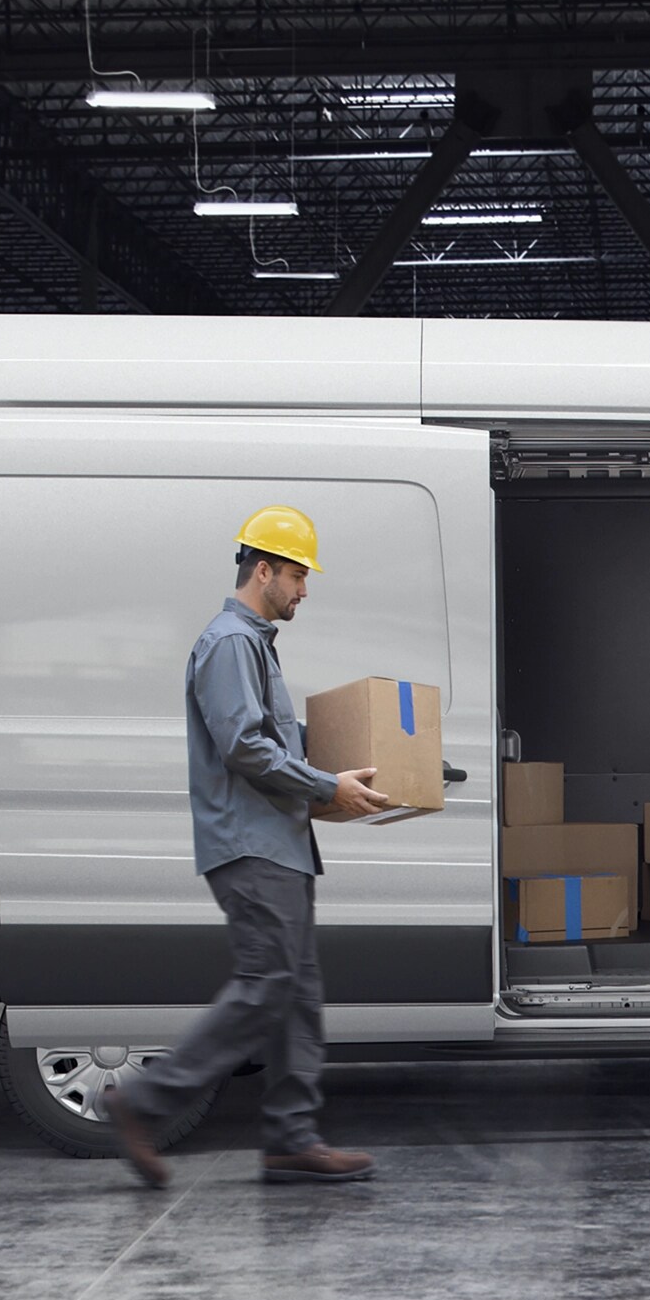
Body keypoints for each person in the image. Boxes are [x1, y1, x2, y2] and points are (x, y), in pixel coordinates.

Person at [108, 507, 388, 1188]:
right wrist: (328, 784)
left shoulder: (255, 643)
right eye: (296, 575)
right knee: (268, 987)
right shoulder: (231, 642)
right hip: (252, 847)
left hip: (280, 846)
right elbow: (243, 746)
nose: (303, 590)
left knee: (296, 996)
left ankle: (291, 1138)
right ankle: (142, 1102)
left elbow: (275, 742)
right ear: (262, 569)